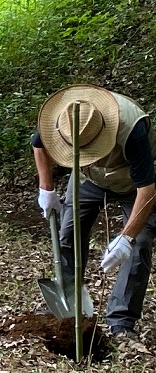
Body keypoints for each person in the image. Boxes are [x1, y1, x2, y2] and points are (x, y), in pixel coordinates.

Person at [32, 84, 156, 338]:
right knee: (68, 235)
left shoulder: (132, 128)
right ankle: (69, 310)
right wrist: (46, 189)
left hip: (132, 184)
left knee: (139, 245)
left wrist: (126, 238)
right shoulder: (61, 118)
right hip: (87, 178)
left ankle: (121, 321)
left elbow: (147, 191)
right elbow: (38, 145)